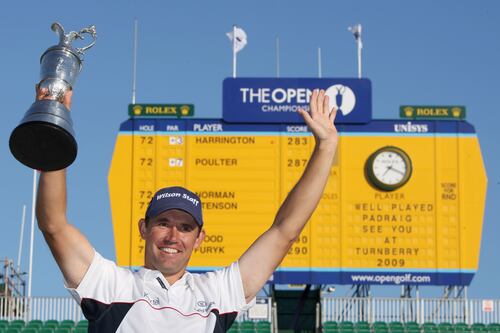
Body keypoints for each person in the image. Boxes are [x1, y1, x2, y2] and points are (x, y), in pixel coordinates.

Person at [36, 88, 338, 332]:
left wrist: (326, 147)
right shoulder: (112, 285)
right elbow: (53, 225)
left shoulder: (217, 293)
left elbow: (285, 231)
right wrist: (54, 124)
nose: (172, 235)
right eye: (163, 222)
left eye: (185, 227)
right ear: (143, 228)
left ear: (199, 238)